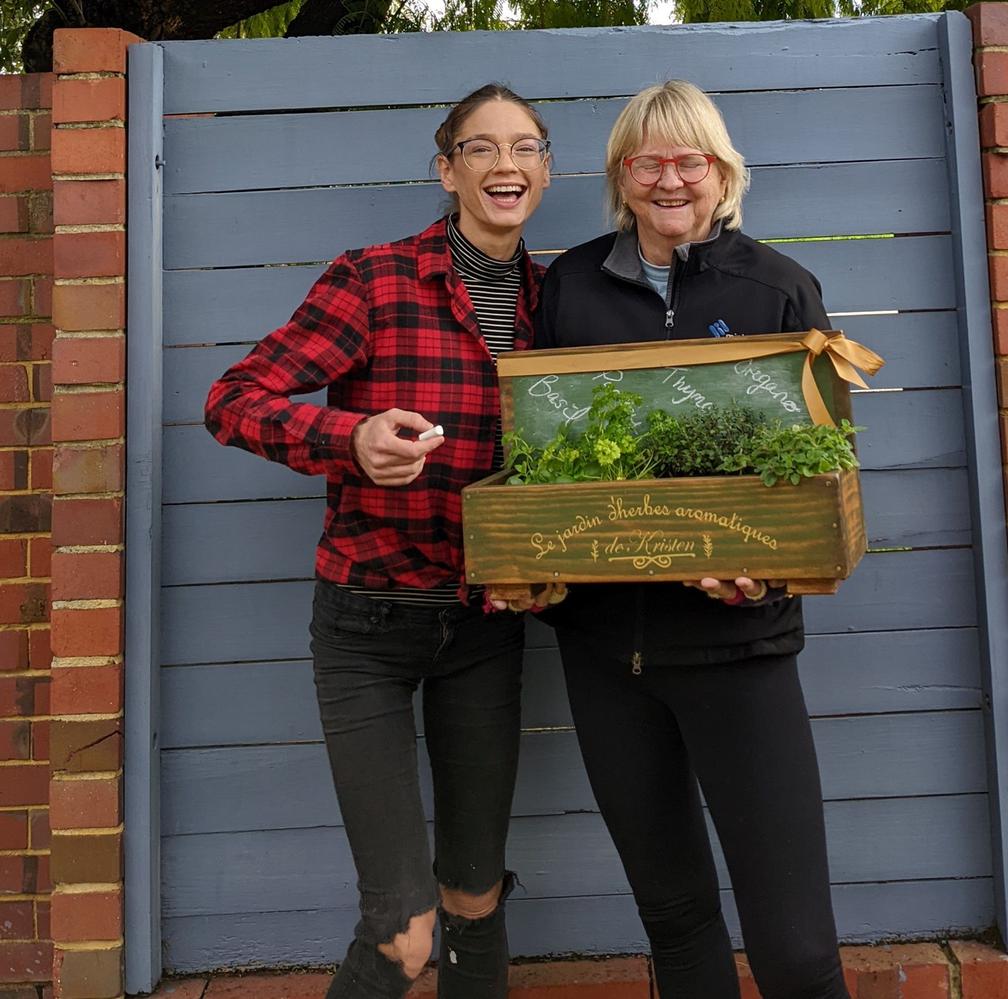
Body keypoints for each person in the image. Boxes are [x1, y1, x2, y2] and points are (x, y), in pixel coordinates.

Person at [204, 84, 553, 999]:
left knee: (475, 897)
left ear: (546, 170)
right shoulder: (375, 279)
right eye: (481, 148)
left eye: (525, 147)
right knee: (403, 933)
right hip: (367, 622)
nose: (506, 164)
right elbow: (233, 399)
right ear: (447, 171)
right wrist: (347, 439)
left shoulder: (556, 302)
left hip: (487, 624)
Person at [532, 80, 851, 999]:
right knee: (676, 928)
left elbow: (826, 477)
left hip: (738, 651)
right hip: (607, 656)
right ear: (620, 175)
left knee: (795, 950)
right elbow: (539, 450)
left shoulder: (779, 288)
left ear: (723, 172)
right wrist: (537, 564)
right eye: (647, 161)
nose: (669, 179)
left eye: (690, 160)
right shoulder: (571, 285)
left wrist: (769, 572)